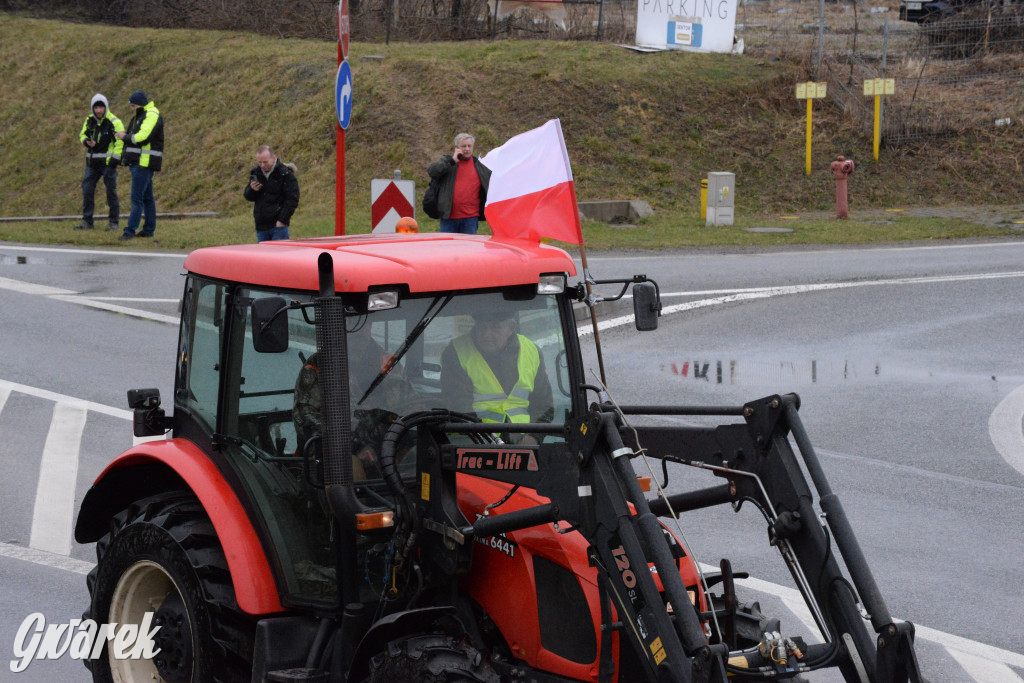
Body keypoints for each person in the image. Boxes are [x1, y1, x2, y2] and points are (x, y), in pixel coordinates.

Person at [440, 309, 553, 440]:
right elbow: (459, 408)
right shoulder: (456, 352)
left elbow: (543, 406)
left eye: (495, 327)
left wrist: (533, 438)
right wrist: (484, 442)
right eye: (482, 327)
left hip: (523, 441)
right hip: (474, 441)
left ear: (511, 328)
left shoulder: (532, 351)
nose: (487, 335)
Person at [115, 90, 164, 240]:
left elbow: (142, 137)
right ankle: (148, 229)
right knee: (147, 198)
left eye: (133, 106)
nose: (131, 109)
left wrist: (124, 136)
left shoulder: (151, 115)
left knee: (137, 199)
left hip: (143, 163)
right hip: (140, 162)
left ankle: (129, 231)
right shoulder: (142, 115)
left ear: (140, 104)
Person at [75, 94, 124, 232]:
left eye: (101, 107)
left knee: (111, 192)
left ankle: (113, 223)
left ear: (106, 107)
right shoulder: (89, 120)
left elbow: (120, 142)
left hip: (108, 163)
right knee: (87, 190)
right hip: (92, 163)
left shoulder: (114, 122)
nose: (98, 110)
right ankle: (87, 221)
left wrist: (115, 159)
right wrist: (86, 142)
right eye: (96, 107)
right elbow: (82, 135)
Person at [426, 133, 491, 234]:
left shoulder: (479, 165)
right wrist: (452, 160)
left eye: (469, 146)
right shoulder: (448, 162)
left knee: (468, 245)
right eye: (464, 146)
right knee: (447, 244)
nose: (467, 149)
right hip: (449, 218)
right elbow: (432, 171)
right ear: (456, 147)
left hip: (470, 219)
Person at [244, 145, 300, 242]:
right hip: (261, 226)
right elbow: (248, 196)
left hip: (278, 227)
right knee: (262, 252)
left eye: (265, 162)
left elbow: (292, 199)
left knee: (280, 252)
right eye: (259, 162)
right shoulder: (256, 173)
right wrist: (252, 190)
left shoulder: (286, 174)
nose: (262, 165)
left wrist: (282, 221)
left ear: (274, 158)